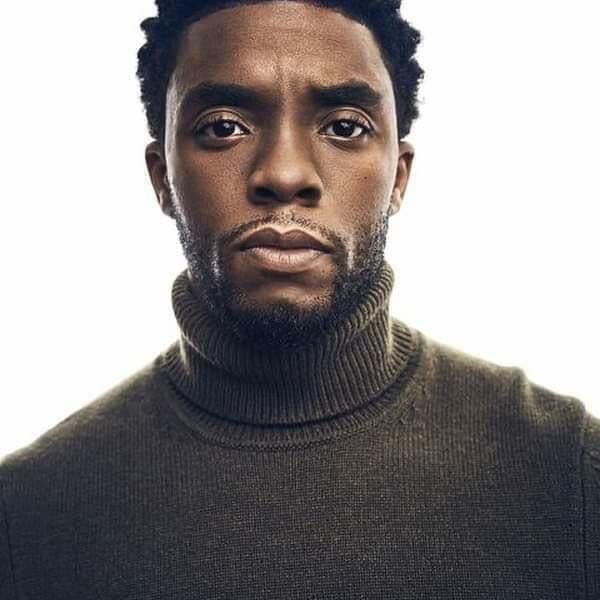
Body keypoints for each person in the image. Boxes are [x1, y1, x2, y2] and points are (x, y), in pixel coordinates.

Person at [1, 0, 598, 597]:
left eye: (344, 126)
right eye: (224, 126)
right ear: (163, 178)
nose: (285, 174)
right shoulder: (27, 514)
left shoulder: (568, 473)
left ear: (398, 176)